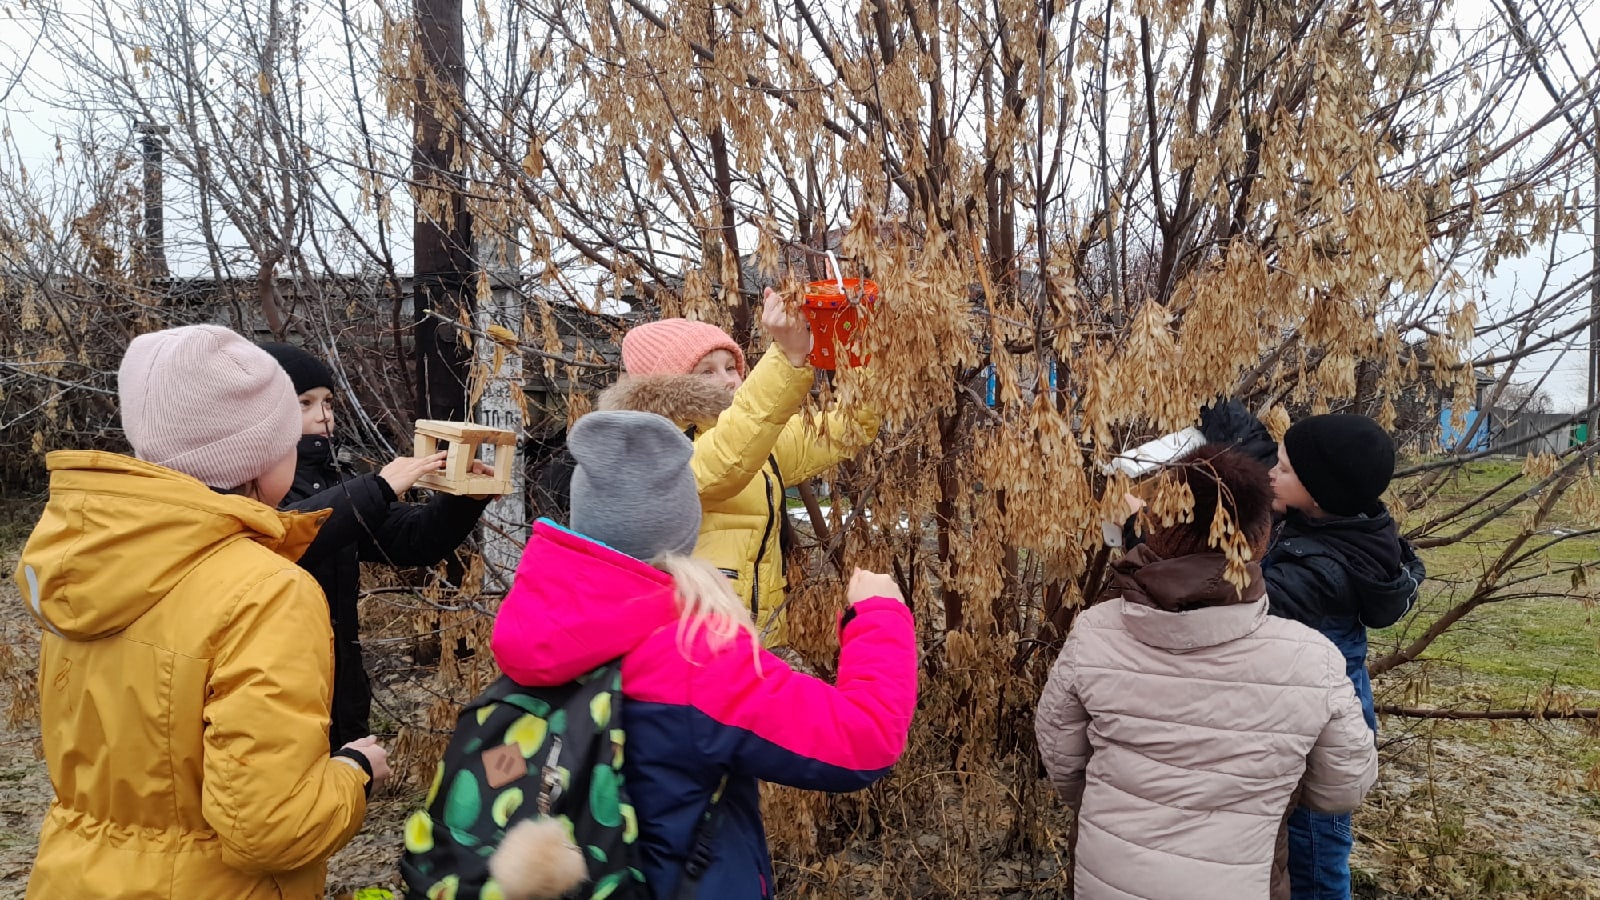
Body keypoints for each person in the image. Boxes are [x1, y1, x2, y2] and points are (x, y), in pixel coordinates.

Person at [14, 324, 388, 899]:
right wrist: (355, 772)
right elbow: (270, 829)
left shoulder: (84, 558)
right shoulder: (266, 591)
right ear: (259, 458)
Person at [489, 410, 918, 898]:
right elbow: (864, 739)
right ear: (682, 525)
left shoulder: (534, 624)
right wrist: (879, 618)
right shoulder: (696, 659)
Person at [1035, 445, 1378, 900]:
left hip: (1109, 879)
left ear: (1156, 530)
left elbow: (1061, 757)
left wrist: (1113, 798)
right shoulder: (1314, 661)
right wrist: (1271, 793)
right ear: (1258, 542)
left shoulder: (1094, 634)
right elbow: (1344, 787)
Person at [597, 288, 880, 645]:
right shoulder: (655, 451)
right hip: (693, 649)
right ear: (668, 389)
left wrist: (855, 342)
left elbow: (850, 426)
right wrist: (788, 357)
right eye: (707, 372)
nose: (730, 379)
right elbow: (728, 460)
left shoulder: (760, 439)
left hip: (759, 644)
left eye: (731, 366)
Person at [259, 342, 494, 749]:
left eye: (328, 401)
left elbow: (411, 540)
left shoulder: (335, 478)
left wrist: (463, 498)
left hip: (340, 685)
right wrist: (377, 488)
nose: (323, 415)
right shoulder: (253, 484)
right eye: (304, 403)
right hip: (274, 687)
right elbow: (289, 534)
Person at [1265, 414, 1425, 900]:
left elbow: (1231, 599)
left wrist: (1140, 533)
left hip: (1319, 735)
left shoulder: (1317, 573)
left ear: (1317, 493)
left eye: (1285, 468)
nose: (1271, 470)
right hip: (1324, 709)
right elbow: (1268, 456)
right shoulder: (1352, 522)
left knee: (1315, 854)